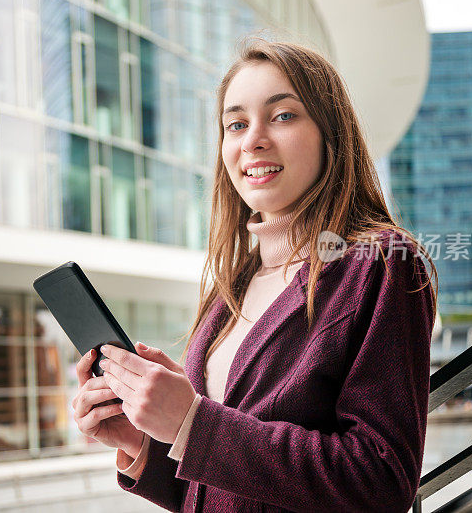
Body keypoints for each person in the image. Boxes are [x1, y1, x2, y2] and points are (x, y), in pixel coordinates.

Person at [71, 37, 438, 512]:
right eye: (236, 124)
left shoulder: (380, 264)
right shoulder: (235, 284)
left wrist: (193, 423)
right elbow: (221, 488)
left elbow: (382, 479)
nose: (252, 140)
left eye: (283, 115)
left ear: (332, 133)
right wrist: (146, 445)